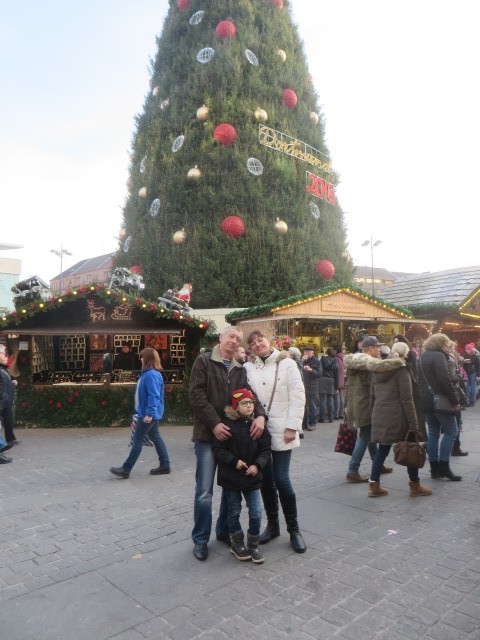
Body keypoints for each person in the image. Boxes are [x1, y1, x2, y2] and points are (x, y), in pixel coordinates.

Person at [189, 326, 267, 562]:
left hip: (231, 439)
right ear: (221, 338)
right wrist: (214, 424)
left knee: (229, 486)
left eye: (238, 339)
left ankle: (224, 531)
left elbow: (249, 395)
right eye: (231, 336)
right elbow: (196, 395)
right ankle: (200, 539)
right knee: (204, 492)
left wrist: (261, 415)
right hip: (208, 434)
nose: (234, 341)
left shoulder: (239, 368)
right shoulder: (204, 361)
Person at [244, 329, 307, 553]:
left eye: (260, 339)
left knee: (282, 479)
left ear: (268, 340)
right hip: (259, 431)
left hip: (282, 430)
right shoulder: (248, 367)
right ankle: (273, 526)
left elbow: (298, 396)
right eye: (253, 342)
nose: (258, 344)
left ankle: (294, 530)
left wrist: (293, 426)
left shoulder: (287, 364)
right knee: (266, 481)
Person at [212, 388, 271, 564]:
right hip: (231, 478)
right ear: (235, 406)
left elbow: (265, 450)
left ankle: (253, 545)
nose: (249, 406)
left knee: (256, 512)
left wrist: (257, 465)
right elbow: (218, 449)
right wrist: (233, 461)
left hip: (252, 478)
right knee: (233, 511)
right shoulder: (226, 425)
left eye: (251, 403)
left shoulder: (258, 426)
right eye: (244, 403)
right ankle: (236, 544)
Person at [366, 342, 432, 497]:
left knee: (382, 450)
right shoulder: (401, 370)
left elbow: (372, 396)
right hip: (398, 416)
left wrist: (372, 414)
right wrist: (413, 423)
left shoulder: (377, 369)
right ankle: (415, 485)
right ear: (406, 354)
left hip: (380, 413)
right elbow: (407, 399)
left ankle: (374, 485)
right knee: (411, 447)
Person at [110, 347, 170, 478]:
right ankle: (165, 465)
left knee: (137, 440)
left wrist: (149, 414)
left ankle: (126, 469)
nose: (141, 359)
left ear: (148, 359)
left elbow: (154, 395)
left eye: (142, 357)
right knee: (156, 437)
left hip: (147, 415)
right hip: (148, 413)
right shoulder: (150, 374)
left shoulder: (150, 375)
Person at [344, 336, 392, 483]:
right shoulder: (370, 364)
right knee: (366, 435)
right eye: (377, 347)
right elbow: (374, 386)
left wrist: (347, 405)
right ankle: (353, 470)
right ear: (370, 348)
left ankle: (378, 463)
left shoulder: (354, 361)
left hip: (357, 403)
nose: (379, 349)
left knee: (370, 435)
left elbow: (348, 386)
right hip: (367, 404)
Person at [418, 333, 462, 481]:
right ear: (440, 344)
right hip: (440, 400)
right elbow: (445, 380)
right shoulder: (438, 356)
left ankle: (434, 468)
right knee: (451, 431)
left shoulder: (422, 356)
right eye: (446, 345)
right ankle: (444, 466)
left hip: (426, 401)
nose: (447, 348)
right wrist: (455, 401)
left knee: (433, 433)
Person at [0, 345, 19, 445]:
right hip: (3, 401)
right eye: (4, 353)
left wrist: (12, 382)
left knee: (8, 421)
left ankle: (10, 439)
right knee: (7, 422)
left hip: (5, 400)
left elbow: (3, 383)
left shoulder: (3, 369)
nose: (6, 356)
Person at [301, 345, 321, 431]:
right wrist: (301, 362)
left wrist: (311, 370)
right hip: (303, 386)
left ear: (312, 352)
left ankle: (312, 424)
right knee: (303, 406)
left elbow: (319, 373)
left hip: (312, 387)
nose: (305, 353)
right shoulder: (302, 360)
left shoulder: (316, 361)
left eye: (308, 352)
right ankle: (304, 424)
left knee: (312, 406)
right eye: (304, 352)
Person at [318, 347, 339, 422]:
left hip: (322, 379)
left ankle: (322, 418)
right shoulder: (335, 361)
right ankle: (331, 418)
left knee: (322, 399)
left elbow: (319, 369)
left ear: (327, 352)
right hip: (331, 381)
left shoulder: (322, 359)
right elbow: (337, 374)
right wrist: (336, 387)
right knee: (330, 399)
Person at [333, 347, 345, 420]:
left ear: (335, 350)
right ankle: (341, 413)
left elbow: (335, 371)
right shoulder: (341, 358)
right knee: (341, 397)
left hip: (337, 380)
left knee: (337, 397)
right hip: (342, 380)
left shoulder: (336, 359)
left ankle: (336, 414)